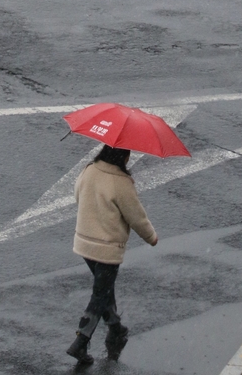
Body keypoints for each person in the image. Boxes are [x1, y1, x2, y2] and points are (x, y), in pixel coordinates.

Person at [67, 145, 158, 364]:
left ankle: (116, 328)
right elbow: (136, 216)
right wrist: (151, 237)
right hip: (106, 248)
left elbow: (77, 193)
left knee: (104, 290)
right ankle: (80, 342)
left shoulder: (89, 170)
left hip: (84, 244)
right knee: (100, 294)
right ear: (123, 156)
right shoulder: (120, 182)